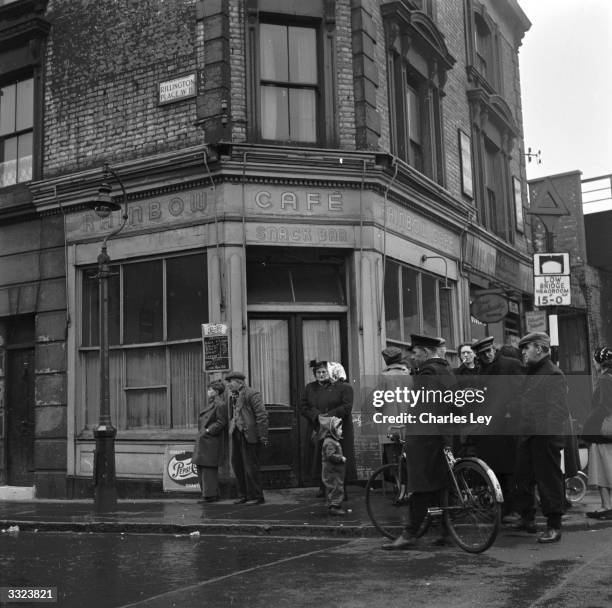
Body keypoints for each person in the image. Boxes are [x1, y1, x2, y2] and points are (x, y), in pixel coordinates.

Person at [382, 334, 457, 550]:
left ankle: (410, 533)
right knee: (443, 485)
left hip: (426, 437)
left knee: (420, 484)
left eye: (415, 353)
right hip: (445, 434)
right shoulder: (447, 370)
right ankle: (446, 530)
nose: (413, 358)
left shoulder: (427, 372)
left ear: (424, 352)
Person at [512, 332, 569, 543]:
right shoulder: (532, 372)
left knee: (549, 481)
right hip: (528, 435)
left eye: (526, 348)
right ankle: (527, 519)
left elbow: (558, 410)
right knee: (522, 478)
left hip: (544, 437)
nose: (524, 353)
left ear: (539, 348)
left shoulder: (553, 374)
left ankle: (554, 526)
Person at [470, 336, 524, 520]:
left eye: (489, 351)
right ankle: (501, 509)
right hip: (490, 431)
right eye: (483, 353)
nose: (488, 355)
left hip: (508, 428)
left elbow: (522, 391)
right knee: (494, 471)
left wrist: (511, 411)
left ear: (494, 348)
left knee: (511, 471)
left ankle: (514, 509)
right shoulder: (482, 371)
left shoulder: (511, 365)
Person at [299, 360, 355, 498]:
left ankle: (342, 489)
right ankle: (323, 486)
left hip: (339, 428)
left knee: (338, 456)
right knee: (319, 457)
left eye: (324, 372)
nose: (321, 374)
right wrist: (316, 416)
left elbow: (346, 407)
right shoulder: (310, 387)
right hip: (318, 426)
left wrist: (328, 416)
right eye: (318, 372)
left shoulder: (343, 387)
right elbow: (303, 406)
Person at [225, 370, 269, 505]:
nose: (228, 385)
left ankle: (256, 496)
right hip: (237, 433)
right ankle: (243, 495)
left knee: (251, 466)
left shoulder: (252, 394)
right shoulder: (232, 396)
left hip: (250, 435)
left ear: (239, 382)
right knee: (237, 465)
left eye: (230, 382)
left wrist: (263, 436)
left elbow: (262, 416)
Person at [583, 347, 612, 520]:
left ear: (598, 361)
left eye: (594, 361)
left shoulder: (604, 378)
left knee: (601, 465)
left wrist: (589, 423)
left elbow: (603, 406)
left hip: (603, 429)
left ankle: (606, 506)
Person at [191, 379, 228, 502]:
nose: (208, 391)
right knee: (202, 467)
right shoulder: (212, 403)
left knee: (208, 469)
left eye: (210, 389)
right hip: (205, 440)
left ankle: (210, 495)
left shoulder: (220, 405)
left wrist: (208, 431)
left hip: (211, 441)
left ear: (216, 391)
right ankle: (208, 494)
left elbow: (221, 422)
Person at [318, 415, 347, 516]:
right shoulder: (329, 442)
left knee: (335, 487)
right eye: (339, 429)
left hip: (335, 472)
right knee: (335, 488)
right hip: (332, 472)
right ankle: (334, 507)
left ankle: (333, 505)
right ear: (332, 430)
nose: (341, 431)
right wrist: (340, 458)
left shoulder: (333, 441)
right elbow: (330, 456)